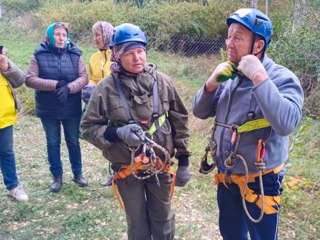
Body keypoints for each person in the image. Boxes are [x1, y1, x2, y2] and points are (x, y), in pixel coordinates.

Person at [192, 8, 304, 239]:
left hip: (262, 182)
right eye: (229, 36)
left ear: (258, 45)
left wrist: (259, 77)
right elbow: (200, 111)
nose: (229, 43)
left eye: (238, 37)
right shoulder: (229, 78)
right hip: (228, 176)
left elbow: (286, 124)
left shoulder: (283, 78)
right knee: (230, 233)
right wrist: (211, 84)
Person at [81, 23, 191, 240]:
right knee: (137, 223)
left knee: (164, 220)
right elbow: (87, 128)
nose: (137, 58)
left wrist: (185, 161)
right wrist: (117, 133)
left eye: (140, 51)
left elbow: (180, 120)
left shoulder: (163, 82)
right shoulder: (105, 88)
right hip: (127, 168)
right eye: (129, 53)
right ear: (117, 56)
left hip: (160, 165)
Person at [26, 22, 89, 193]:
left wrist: (69, 88)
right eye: (57, 34)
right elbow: (30, 79)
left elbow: (84, 77)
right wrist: (56, 85)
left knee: (73, 142)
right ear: (49, 36)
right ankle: (57, 176)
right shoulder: (38, 54)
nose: (61, 38)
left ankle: (78, 173)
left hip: (71, 106)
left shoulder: (76, 54)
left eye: (64, 35)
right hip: (48, 107)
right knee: (53, 142)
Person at [81, 21, 114, 187]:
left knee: (119, 139)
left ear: (107, 35)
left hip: (115, 105)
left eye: (98, 35)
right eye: (94, 35)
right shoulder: (94, 57)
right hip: (100, 106)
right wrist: (90, 87)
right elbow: (93, 79)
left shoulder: (117, 55)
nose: (95, 38)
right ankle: (114, 171)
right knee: (105, 139)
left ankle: (120, 172)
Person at [0, 46, 29, 202]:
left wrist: (6, 67)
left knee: (6, 153)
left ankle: (13, 187)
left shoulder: (2, 58)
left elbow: (20, 80)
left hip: (4, 117)